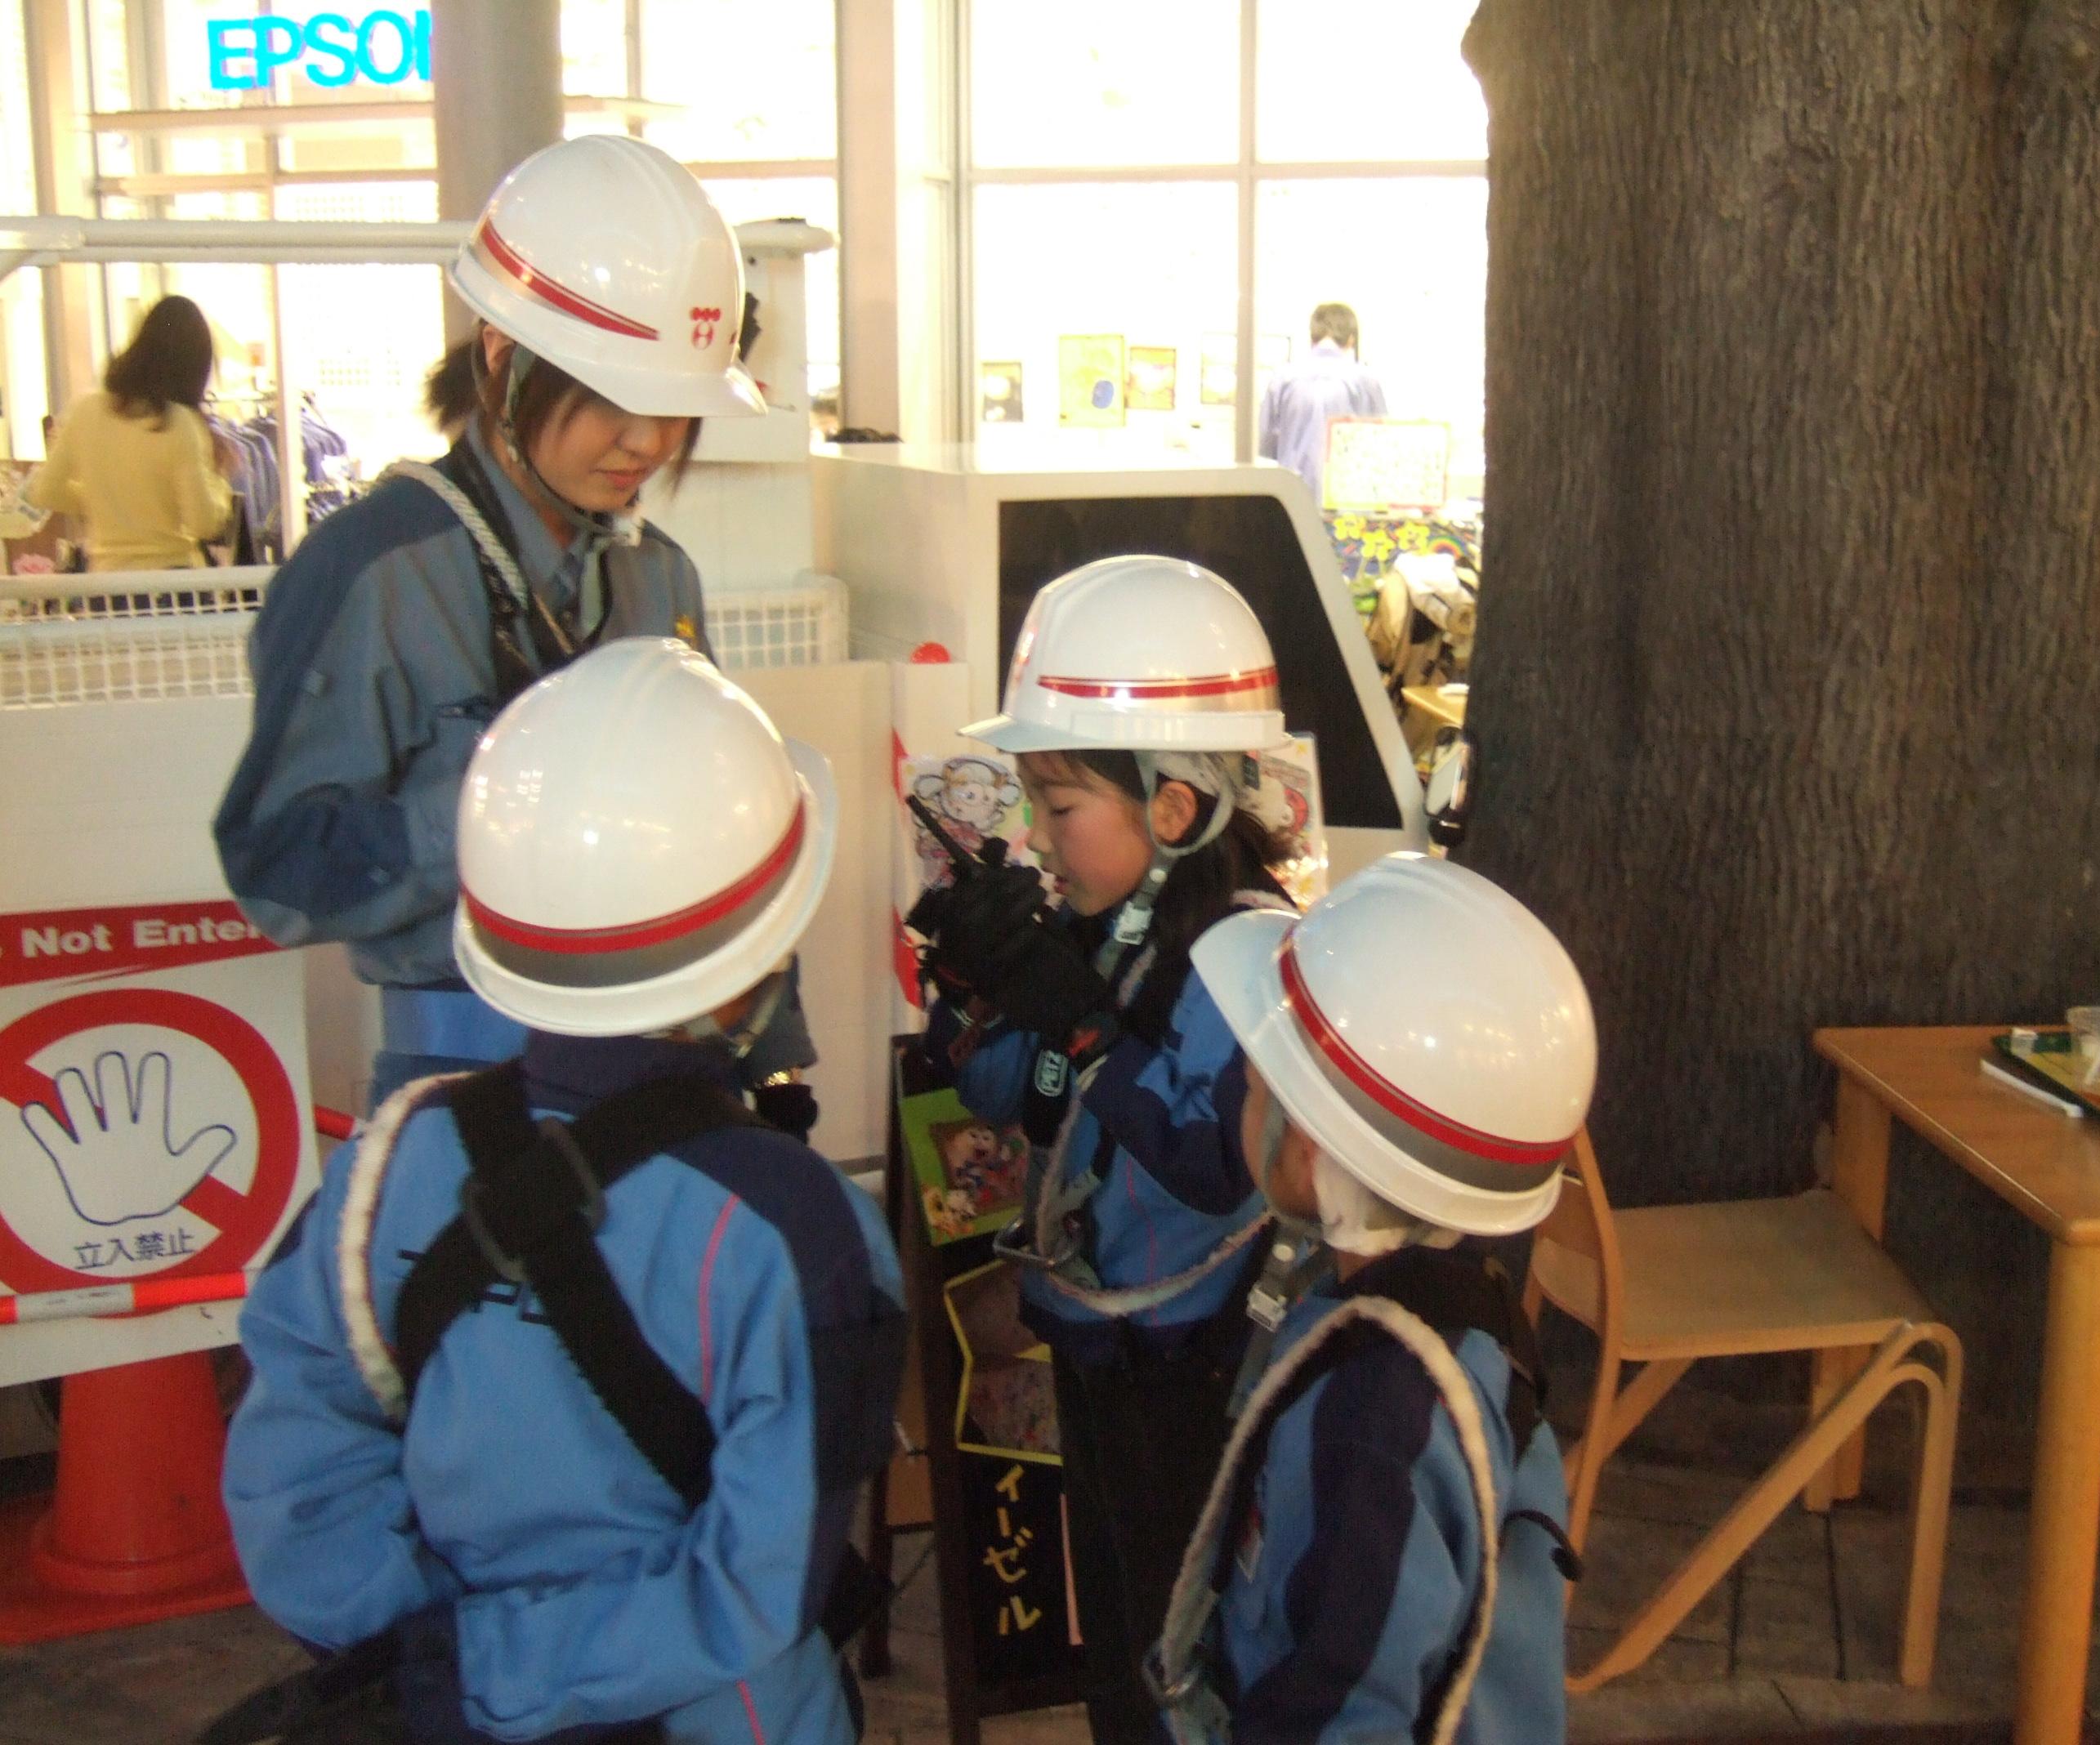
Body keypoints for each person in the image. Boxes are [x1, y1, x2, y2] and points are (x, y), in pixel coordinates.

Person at [215, 637, 905, 1745]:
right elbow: (760, 1585)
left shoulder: (388, 1166)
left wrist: (452, 1671)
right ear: (759, 963)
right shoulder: (802, 1228)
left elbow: (291, 1487)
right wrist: (531, 1672)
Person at [212, 135, 812, 1113]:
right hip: (462, 1074)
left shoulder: (658, 575)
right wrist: (492, 806)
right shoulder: (372, 573)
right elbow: (278, 875)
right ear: (502, 353)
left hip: (671, 1069)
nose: (647, 442)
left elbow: (729, 836)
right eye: (613, 398)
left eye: (675, 406)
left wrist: (773, 1061)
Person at [909, 555, 1298, 1743]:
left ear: (1172, 810)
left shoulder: (1246, 956)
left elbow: (1212, 1161)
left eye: (1059, 807)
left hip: (1191, 1372)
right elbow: (1012, 1098)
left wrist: (1080, 1026)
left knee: (1181, 1641)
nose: (1037, 835)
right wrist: (973, 993)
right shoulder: (1105, 931)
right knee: (1119, 1639)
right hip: (1095, 1347)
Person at [1145, 852, 1594, 1742]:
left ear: (1313, 1145)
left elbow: (1347, 1715)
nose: (1238, 1094)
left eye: (1257, 1084)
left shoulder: (1377, 1415)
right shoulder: (1450, 1328)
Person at [25, 293, 236, 571]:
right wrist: (220, 488)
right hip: (172, 580)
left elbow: (44, 491)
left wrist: (102, 501)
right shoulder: (180, 423)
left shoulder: (85, 410)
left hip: (106, 579)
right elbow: (203, 524)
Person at [1257, 301, 1388, 504]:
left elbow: (1265, 443)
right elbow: (1381, 443)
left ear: (1312, 338)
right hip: (1348, 501)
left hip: (1293, 499)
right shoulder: (1365, 381)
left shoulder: (1283, 377)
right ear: (1351, 339)